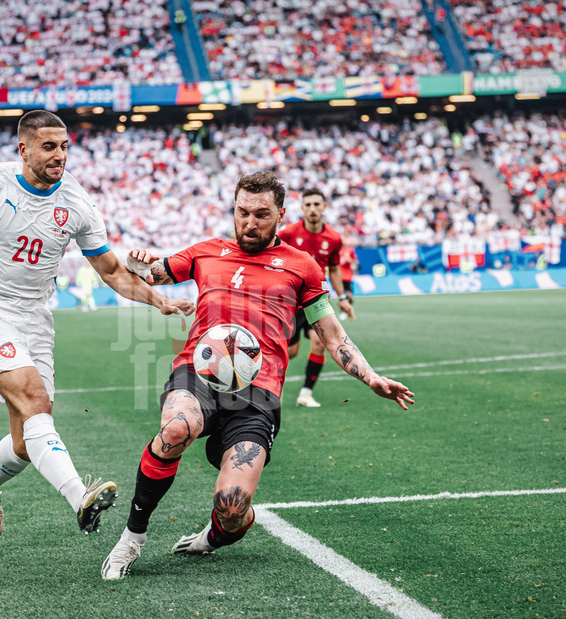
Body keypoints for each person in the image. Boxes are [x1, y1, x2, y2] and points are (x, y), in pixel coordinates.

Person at [101, 170, 414, 580]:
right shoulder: (205, 252)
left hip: (259, 392)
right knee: (177, 428)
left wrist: (370, 376)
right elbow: (152, 272)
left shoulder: (303, 267)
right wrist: (137, 262)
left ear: (281, 214)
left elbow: (331, 334)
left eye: (261, 214)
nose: (250, 222)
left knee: (232, 506)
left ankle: (215, 535)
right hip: (200, 373)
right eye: (242, 212)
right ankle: (132, 538)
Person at [0, 110, 195, 542]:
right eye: (48, 146)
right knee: (35, 399)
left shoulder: (77, 203)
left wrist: (158, 301)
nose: (59, 155)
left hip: (36, 319)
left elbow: (113, 271)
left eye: (64, 146)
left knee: (26, 442)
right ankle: (82, 497)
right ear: (23, 149)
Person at [278, 188, 355, 408]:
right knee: (290, 352)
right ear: (302, 208)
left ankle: (305, 393)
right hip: (291, 303)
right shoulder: (288, 234)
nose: (312, 209)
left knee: (320, 345)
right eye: (308, 205)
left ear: (324, 207)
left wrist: (342, 298)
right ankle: (272, 388)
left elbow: (334, 270)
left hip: (317, 301)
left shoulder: (333, 238)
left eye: (316, 204)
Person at [337, 238, 358, 321]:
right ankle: (343, 311)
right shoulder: (337, 251)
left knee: (349, 295)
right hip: (339, 276)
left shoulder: (350, 250)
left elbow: (356, 262)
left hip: (348, 276)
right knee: (341, 295)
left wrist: (350, 260)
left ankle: (347, 310)